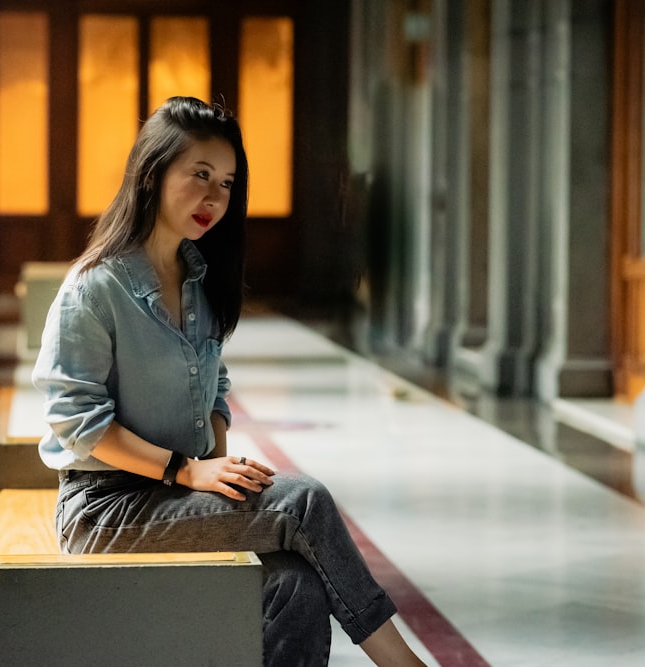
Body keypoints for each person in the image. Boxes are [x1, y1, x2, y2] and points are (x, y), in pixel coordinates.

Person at [32, 96, 426, 666]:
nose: (215, 196)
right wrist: (188, 470)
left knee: (300, 587)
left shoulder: (197, 280)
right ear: (151, 174)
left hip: (174, 497)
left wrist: (221, 482)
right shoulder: (94, 289)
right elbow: (77, 423)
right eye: (199, 175)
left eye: (227, 181)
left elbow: (214, 390)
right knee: (304, 500)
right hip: (105, 511)